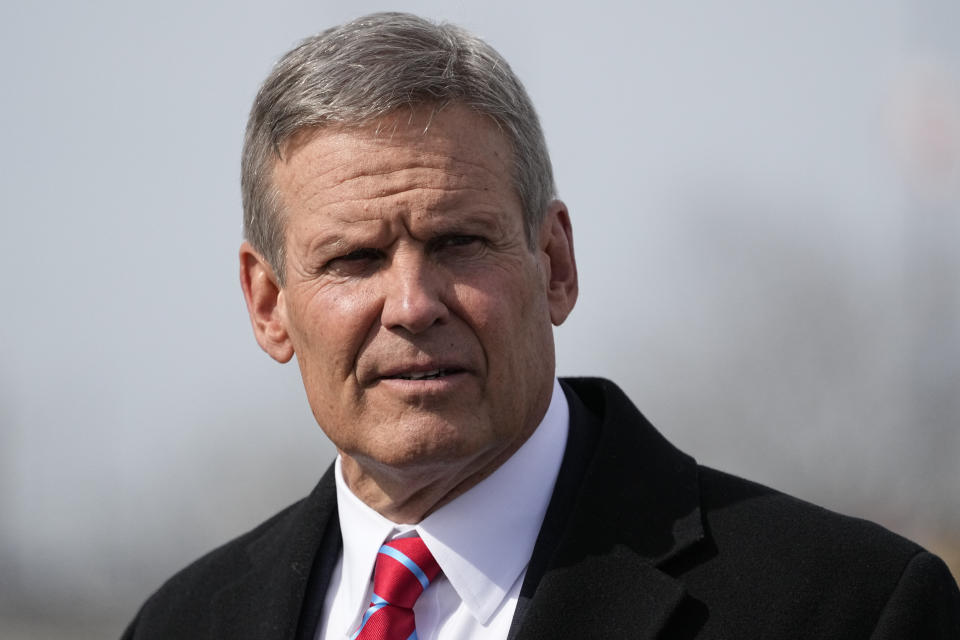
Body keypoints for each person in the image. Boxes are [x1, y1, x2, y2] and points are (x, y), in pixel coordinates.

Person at [123, 11, 960, 639]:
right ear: (269, 305)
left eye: (459, 242)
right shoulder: (178, 624)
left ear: (554, 264)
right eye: (355, 260)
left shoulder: (849, 608)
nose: (414, 304)